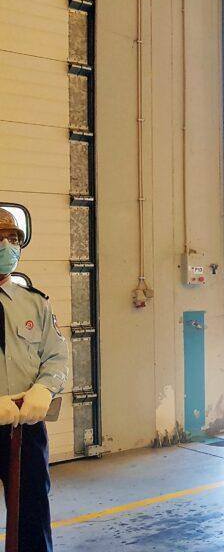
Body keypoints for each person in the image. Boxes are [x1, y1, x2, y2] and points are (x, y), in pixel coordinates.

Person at [0, 208, 69, 552]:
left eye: (13, 239)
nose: (7, 246)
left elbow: (56, 356)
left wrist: (44, 388)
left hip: (25, 427)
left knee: (32, 512)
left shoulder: (35, 304)